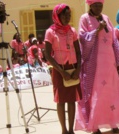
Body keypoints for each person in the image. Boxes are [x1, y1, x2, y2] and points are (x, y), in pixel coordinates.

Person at [75, 1, 119, 134]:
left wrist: (118, 58)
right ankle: (95, 126)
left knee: (112, 92)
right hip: (94, 65)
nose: (99, 8)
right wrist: (96, 30)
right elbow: (82, 38)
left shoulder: (105, 18)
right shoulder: (84, 18)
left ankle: (114, 122)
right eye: (96, 5)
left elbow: (113, 38)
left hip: (109, 62)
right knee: (97, 94)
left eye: (100, 5)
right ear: (90, 6)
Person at [44, 4, 82, 134]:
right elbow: (48, 54)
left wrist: (78, 69)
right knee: (61, 101)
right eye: (64, 15)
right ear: (57, 16)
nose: (67, 17)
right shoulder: (50, 32)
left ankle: (71, 130)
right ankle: (64, 130)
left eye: (69, 15)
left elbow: (78, 51)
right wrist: (61, 71)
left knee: (72, 100)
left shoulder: (72, 31)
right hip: (59, 70)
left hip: (73, 69)